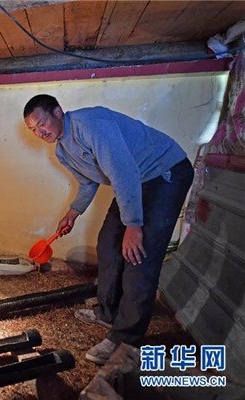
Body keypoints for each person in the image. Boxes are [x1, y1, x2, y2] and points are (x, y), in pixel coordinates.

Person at [23, 94, 194, 364]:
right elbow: (88, 182)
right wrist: (73, 212)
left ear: (57, 111)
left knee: (138, 254)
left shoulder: (91, 125)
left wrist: (134, 225)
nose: (40, 132)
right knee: (109, 243)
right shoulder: (62, 150)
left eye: (41, 123)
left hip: (164, 172)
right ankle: (108, 313)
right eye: (33, 130)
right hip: (134, 180)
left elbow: (124, 173)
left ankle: (125, 340)